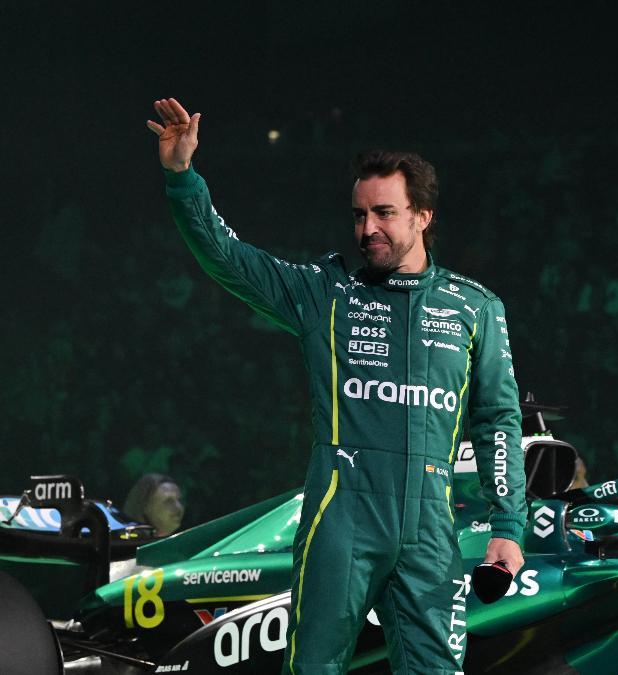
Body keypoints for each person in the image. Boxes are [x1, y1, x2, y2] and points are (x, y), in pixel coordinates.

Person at [146, 98, 526, 675]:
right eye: (358, 215)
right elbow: (228, 258)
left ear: (423, 215)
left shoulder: (476, 307)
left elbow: (499, 421)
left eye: (384, 213)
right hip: (340, 515)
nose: (366, 228)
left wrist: (507, 527)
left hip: (431, 528)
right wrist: (183, 178)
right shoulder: (325, 293)